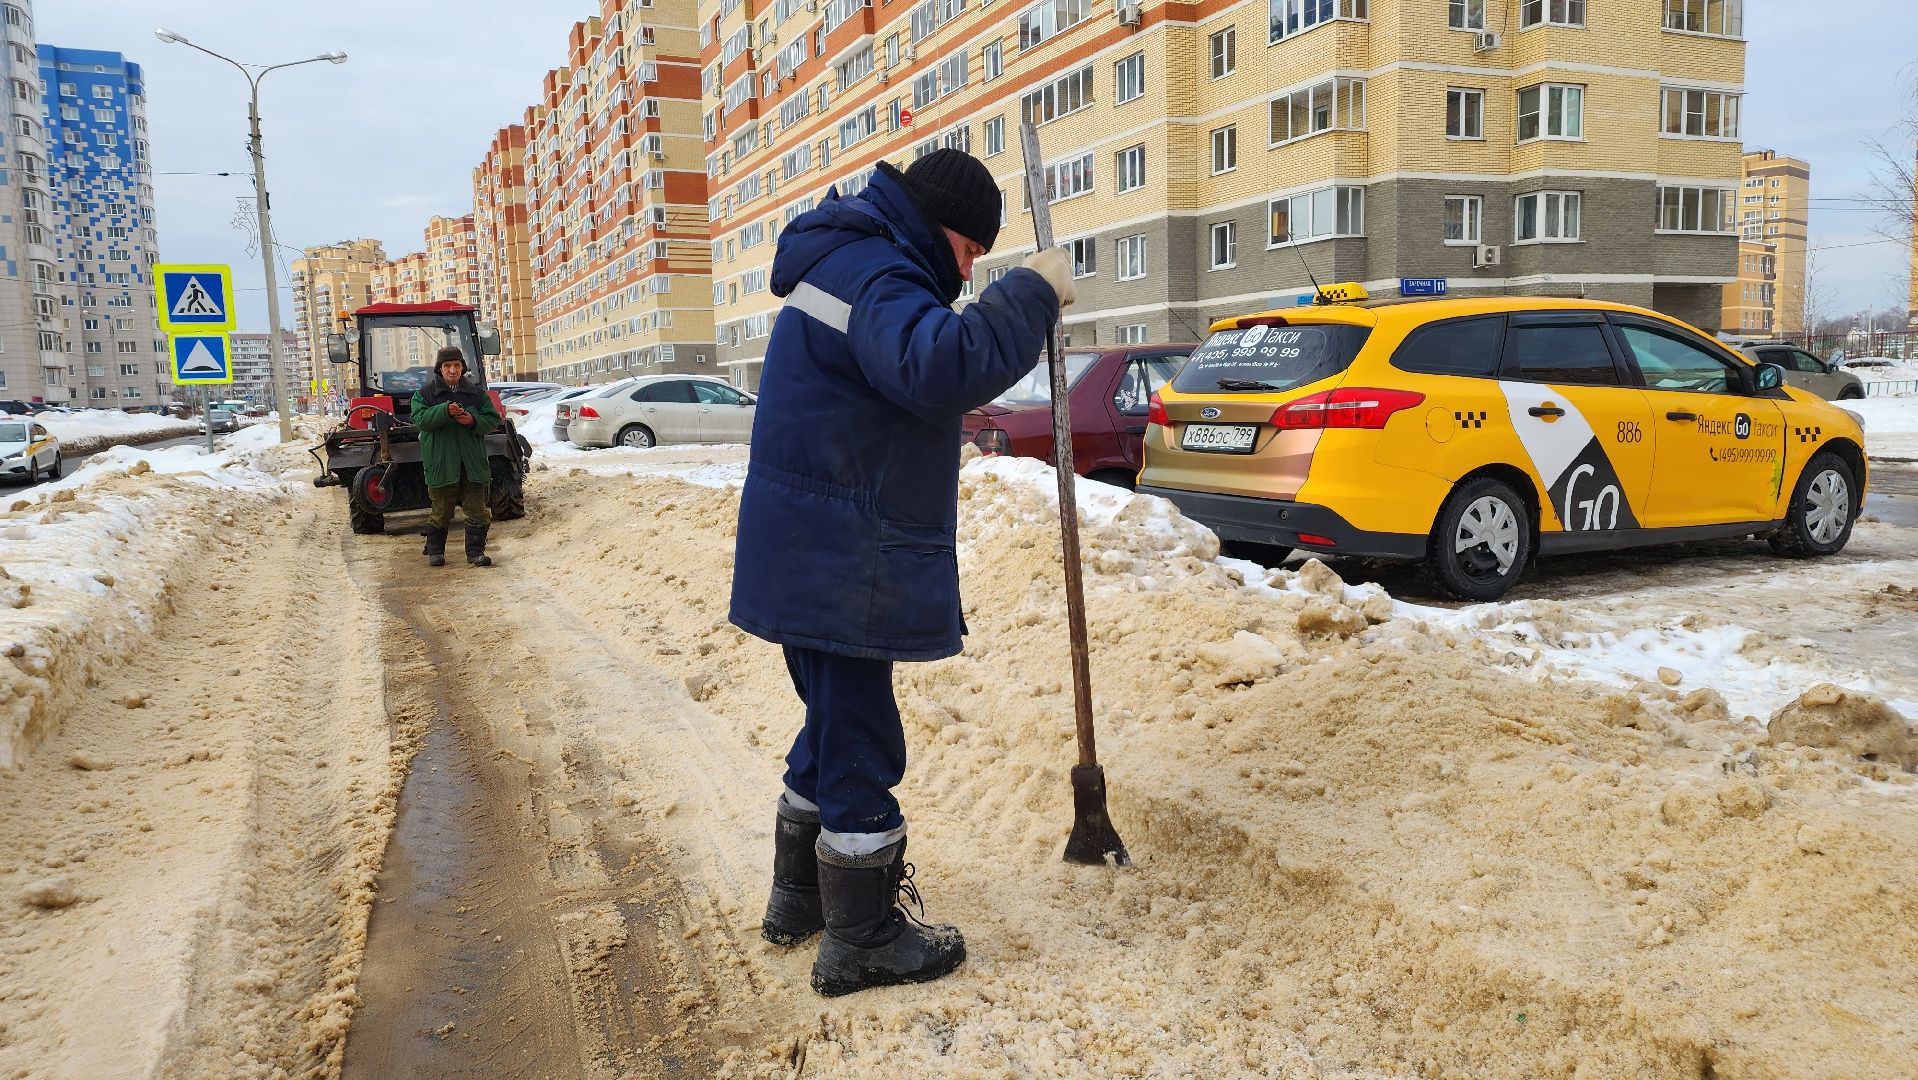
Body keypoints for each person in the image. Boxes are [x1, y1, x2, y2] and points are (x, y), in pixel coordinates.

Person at [729, 149, 1076, 997]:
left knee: (830, 724)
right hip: (840, 548)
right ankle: (865, 938)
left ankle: (799, 898)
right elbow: (939, 365)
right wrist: (1029, 293)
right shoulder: (878, 273)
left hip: (814, 541)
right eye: (970, 252)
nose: (968, 272)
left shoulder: (847, 258)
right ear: (942, 226)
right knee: (857, 738)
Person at [413, 346, 502, 567]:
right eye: (447, 366)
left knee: (477, 511)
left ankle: (476, 553)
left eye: (456, 365)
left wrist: (473, 420)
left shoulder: (476, 394)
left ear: (462, 368)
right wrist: (444, 411)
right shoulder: (424, 395)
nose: (452, 370)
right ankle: (435, 552)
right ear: (440, 369)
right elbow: (421, 420)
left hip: (471, 464)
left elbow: (492, 420)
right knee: (441, 512)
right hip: (441, 464)